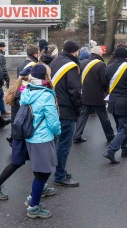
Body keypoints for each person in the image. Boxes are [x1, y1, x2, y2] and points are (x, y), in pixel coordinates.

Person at [20, 64, 61, 219]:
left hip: (31, 135)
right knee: (43, 172)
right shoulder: (45, 95)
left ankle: (33, 198)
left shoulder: (27, 91)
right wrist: (59, 131)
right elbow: (53, 120)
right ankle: (33, 206)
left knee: (39, 170)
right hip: (43, 137)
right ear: (45, 77)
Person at [48, 40, 81, 187]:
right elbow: (74, 91)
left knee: (56, 143)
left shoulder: (55, 62)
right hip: (66, 109)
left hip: (53, 106)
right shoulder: (71, 66)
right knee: (64, 144)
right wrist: (79, 108)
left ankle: (59, 169)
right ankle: (60, 175)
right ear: (75, 51)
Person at [75, 45, 115, 143]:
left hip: (85, 94)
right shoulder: (100, 64)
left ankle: (77, 135)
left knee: (83, 116)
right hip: (97, 96)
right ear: (99, 53)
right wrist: (107, 93)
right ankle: (110, 136)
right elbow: (104, 81)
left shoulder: (84, 62)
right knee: (103, 116)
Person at [0, 42, 11, 114]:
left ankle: (2, 111)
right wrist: (7, 79)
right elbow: (3, 69)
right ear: (1, 47)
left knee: (0, 95)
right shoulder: (1, 56)